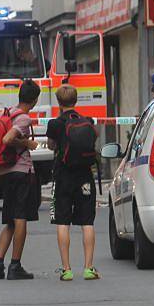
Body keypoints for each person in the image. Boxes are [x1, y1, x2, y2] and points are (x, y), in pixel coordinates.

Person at [0, 79, 41, 280]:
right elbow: (7, 139)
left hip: (3, 172)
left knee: (10, 221)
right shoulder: (23, 119)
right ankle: (15, 266)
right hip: (20, 172)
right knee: (21, 218)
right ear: (34, 100)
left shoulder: (5, 113)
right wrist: (27, 143)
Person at [45, 85, 100, 281]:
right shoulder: (88, 121)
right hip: (84, 176)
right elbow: (95, 138)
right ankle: (88, 268)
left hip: (63, 176)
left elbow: (52, 145)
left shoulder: (54, 124)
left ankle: (66, 269)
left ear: (59, 102)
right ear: (76, 101)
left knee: (62, 221)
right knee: (87, 221)